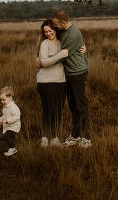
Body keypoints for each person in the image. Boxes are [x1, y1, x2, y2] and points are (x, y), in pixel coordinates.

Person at [51, 10, 91, 148]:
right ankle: (75, 136)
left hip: (77, 73)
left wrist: (44, 62)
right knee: (73, 107)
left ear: (63, 22)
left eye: (56, 24)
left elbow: (62, 55)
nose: (55, 26)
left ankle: (86, 138)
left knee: (81, 106)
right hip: (69, 73)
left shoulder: (73, 34)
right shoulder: (64, 31)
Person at [35, 19, 69, 148]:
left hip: (61, 81)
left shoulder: (61, 42)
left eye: (50, 30)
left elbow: (74, 46)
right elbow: (44, 62)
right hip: (46, 82)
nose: (48, 34)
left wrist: (84, 47)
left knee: (57, 110)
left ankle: (55, 138)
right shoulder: (44, 44)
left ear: (55, 29)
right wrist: (60, 55)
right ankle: (44, 138)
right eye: (46, 32)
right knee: (48, 110)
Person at [0, 86, 22, 156]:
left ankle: (13, 148)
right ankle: (11, 146)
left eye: (3, 100)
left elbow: (17, 117)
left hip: (14, 127)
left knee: (7, 137)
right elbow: (4, 115)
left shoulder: (13, 107)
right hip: (9, 126)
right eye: (1, 100)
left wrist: (7, 120)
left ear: (10, 98)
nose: (2, 101)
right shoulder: (5, 107)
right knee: (8, 137)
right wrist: (0, 120)